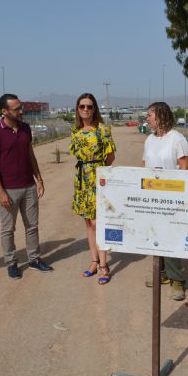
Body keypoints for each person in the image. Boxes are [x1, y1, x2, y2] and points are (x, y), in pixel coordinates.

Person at [0, 93, 53, 280]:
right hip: (8, 190)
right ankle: (11, 263)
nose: (21, 111)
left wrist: (39, 179)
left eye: (21, 107)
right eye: (17, 109)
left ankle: (34, 259)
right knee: (8, 229)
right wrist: (1, 192)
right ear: (4, 111)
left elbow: (30, 155)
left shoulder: (25, 129)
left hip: (28, 186)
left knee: (32, 226)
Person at [142, 102, 188, 301]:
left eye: (150, 114)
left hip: (172, 197)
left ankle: (177, 279)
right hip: (152, 197)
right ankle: (161, 274)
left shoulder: (177, 139)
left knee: (171, 238)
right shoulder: (149, 140)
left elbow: (185, 169)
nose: (147, 118)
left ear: (161, 115)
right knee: (155, 235)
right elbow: (145, 166)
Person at [70, 93, 116, 285]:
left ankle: (104, 266)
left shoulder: (103, 130)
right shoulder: (76, 131)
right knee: (89, 223)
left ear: (95, 108)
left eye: (89, 106)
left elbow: (111, 157)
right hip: (82, 180)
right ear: (78, 109)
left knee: (99, 223)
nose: (86, 110)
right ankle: (94, 261)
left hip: (98, 179)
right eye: (82, 106)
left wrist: (99, 174)